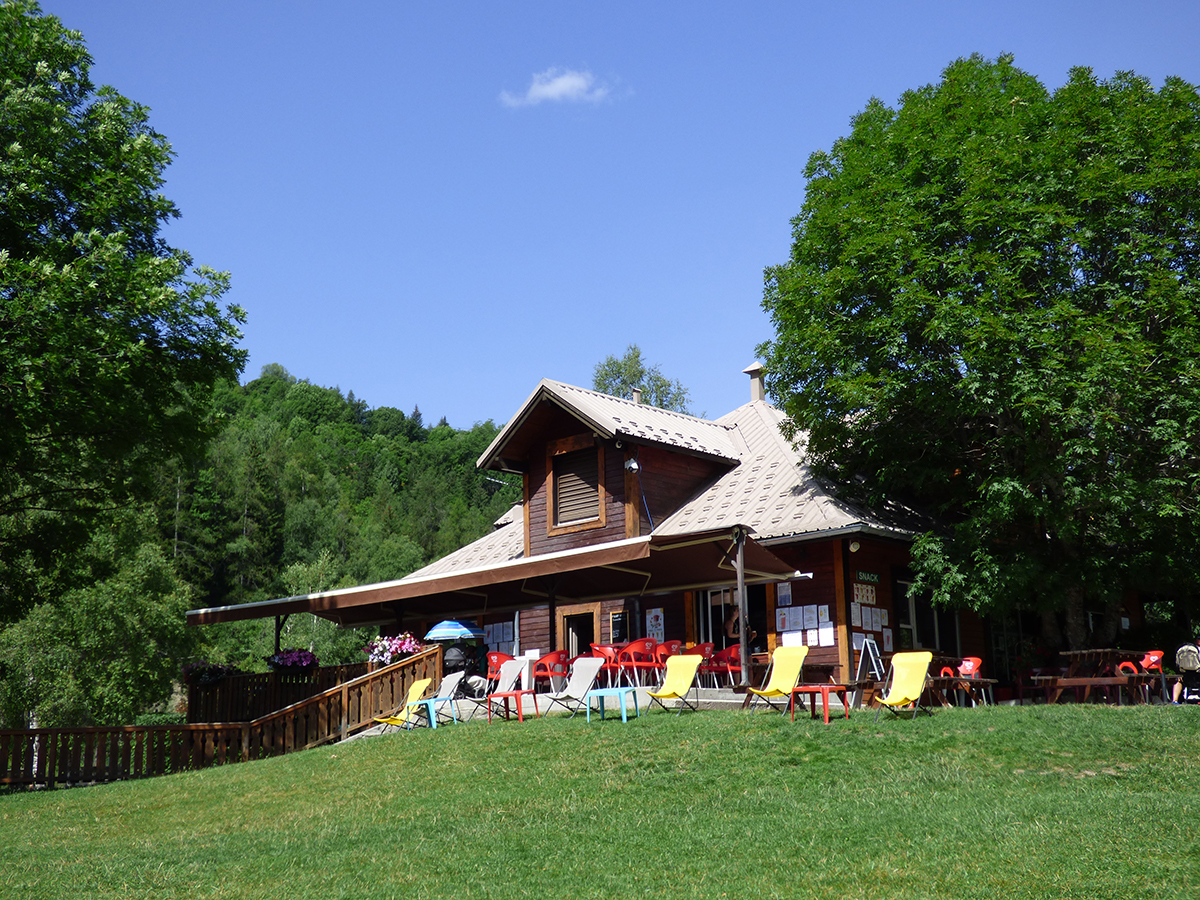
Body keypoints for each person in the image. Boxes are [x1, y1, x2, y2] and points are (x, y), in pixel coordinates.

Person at [1172, 631, 1200, 704]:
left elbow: (1177, 663)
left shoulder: (1185, 650)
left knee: (1178, 681)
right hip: (1197, 675)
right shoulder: (1196, 650)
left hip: (1185, 674)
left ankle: (1175, 700)